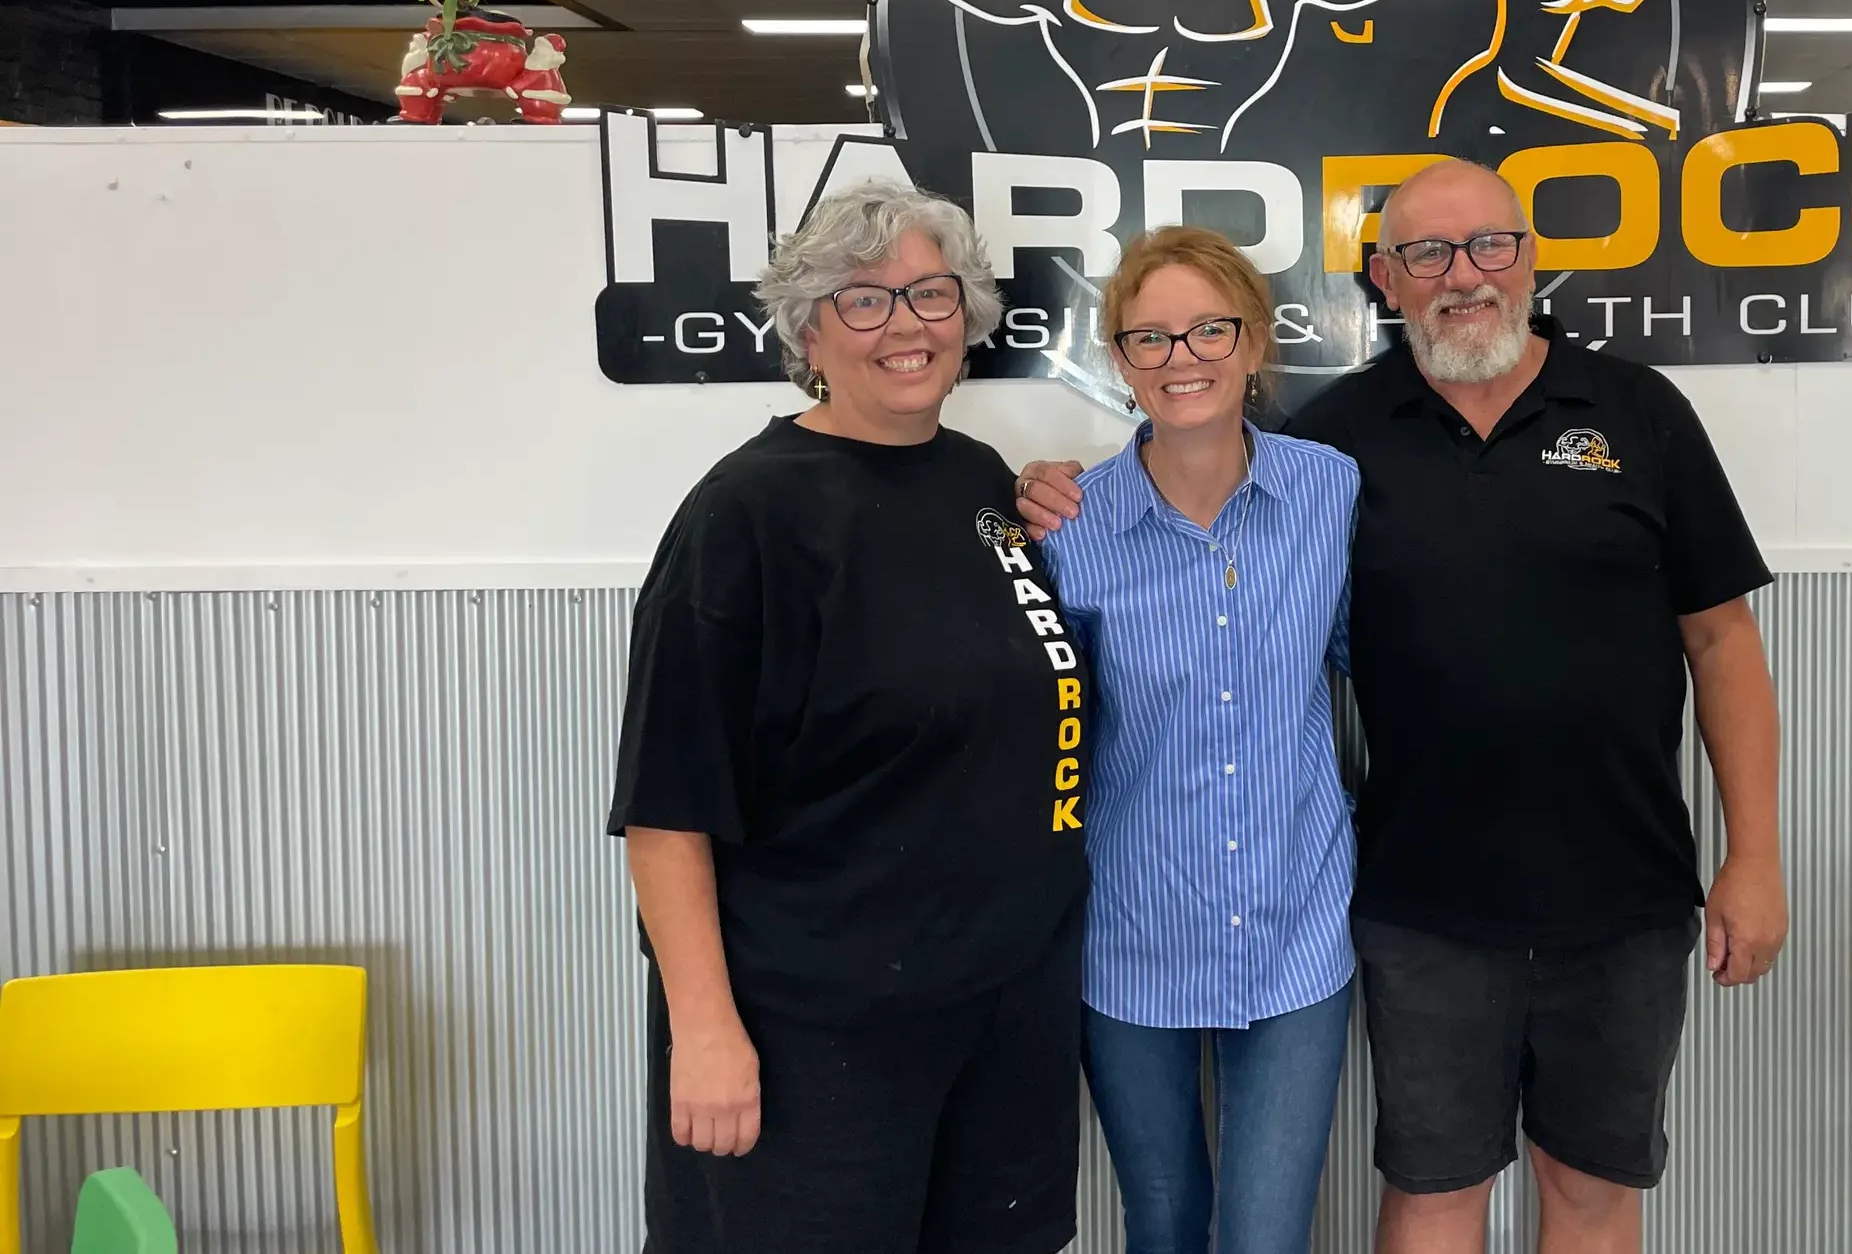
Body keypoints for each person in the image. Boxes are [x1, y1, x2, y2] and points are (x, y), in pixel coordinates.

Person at [1020, 159, 1787, 1254]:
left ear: (1530, 256)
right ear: (1383, 275)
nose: (1460, 275)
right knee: (1431, 1192)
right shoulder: (1340, 445)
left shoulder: (1636, 409)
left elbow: (1720, 636)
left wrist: (1753, 853)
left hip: (1623, 891)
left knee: (1591, 1188)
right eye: (1426, 252)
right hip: (1422, 902)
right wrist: (1040, 491)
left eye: (1487, 246)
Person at [608, 180, 1089, 1254]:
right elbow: (666, 805)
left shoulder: (976, 483)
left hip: (999, 1018)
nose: (907, 324)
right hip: (812, 1032)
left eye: (930, 293)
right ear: (808, 328)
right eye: (863, 300)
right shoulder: (746, 514)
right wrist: (704, 1028)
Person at [1030, 225, 1359, 1254]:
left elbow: (1378, 655)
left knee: (1263, 1235)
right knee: (1163, 1222)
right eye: (1150, 338)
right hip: (1131, 929)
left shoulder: (1331, 491)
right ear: (1119, 362)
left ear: (1255, 341)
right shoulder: (1066, 525)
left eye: (1209, 328)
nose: (1183, 357)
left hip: (1296, 923)